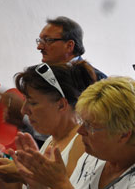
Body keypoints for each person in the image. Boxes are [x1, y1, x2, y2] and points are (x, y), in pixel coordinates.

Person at [7, 16, 107, 145]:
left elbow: (93, 129)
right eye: (40, 40)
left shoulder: (96, 81)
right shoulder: (45, 74)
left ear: (69, 45)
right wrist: (23, 121)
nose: (40, 47)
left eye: (48, 40)